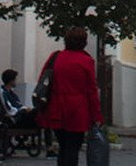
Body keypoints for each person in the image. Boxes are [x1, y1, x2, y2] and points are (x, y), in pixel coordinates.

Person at [37, 26, 103, 166]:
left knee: (63, 146)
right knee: (73, 147)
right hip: (77, 110)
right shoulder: (86, 61)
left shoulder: (55, 57)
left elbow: (43, 79)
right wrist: (96, 116)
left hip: (56, 108)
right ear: (83, 42)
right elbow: (91, 90)